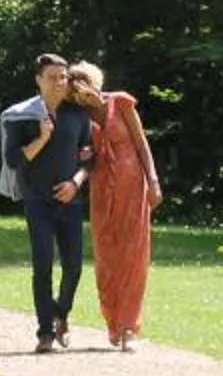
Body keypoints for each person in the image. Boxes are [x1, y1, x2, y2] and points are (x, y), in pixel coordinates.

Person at [3, 53, 96, 352]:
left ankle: (61, 314)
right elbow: (13, 160)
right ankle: (45, 332)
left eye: (64, 77)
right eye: (53, 77)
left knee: (74, 266)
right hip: (37, 201)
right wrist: (42, 138)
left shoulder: (77, 115)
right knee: (42, 265)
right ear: (38, 81)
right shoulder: (23, 116)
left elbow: (90, 159)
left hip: (70, 201)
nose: (60, 83)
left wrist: (76, 183)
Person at [66, 61, 160, 350]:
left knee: (133, 256)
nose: (82, 90)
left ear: (94, 82)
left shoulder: (119, 102)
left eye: (85, 83)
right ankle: (113, 323)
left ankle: (129, 327)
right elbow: (78, 155)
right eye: (75, 86)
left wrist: (153, 181)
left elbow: (142, 143)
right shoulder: (76, 117)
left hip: (133, 185)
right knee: (107, 256)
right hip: (102, 188)